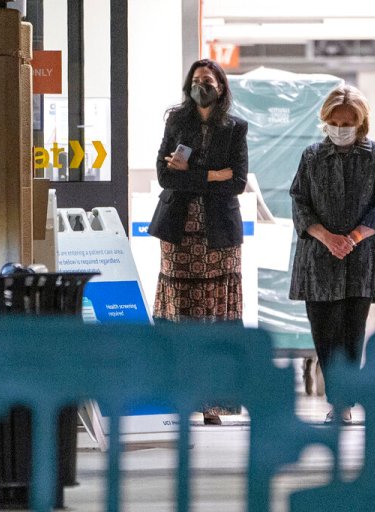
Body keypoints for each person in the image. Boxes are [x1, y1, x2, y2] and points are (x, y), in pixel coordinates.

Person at [148, 59, 248, 425]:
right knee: (181, 313)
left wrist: (189, 174)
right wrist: (210, 175)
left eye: (207, 80)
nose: (200, 86)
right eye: (195, 80)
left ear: (220, 87)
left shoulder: (235, 128)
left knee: (215, 315)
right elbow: (164, 176)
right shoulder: (177, 121)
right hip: (178, 234)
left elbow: (236, 181)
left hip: (218, 235)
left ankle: (212, 403)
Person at [289, 85, 375, 424]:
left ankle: (344, 404)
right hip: (319, 260)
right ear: (325, 121)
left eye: (348, 121)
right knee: (324, 333)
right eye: (334, 121)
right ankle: (340, 399)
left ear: (361, 122)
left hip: (361, 260)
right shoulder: (311, 156)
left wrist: (351, 237)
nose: (340, 127)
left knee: (352, 333)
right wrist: (325, 237)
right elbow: (299, 201)